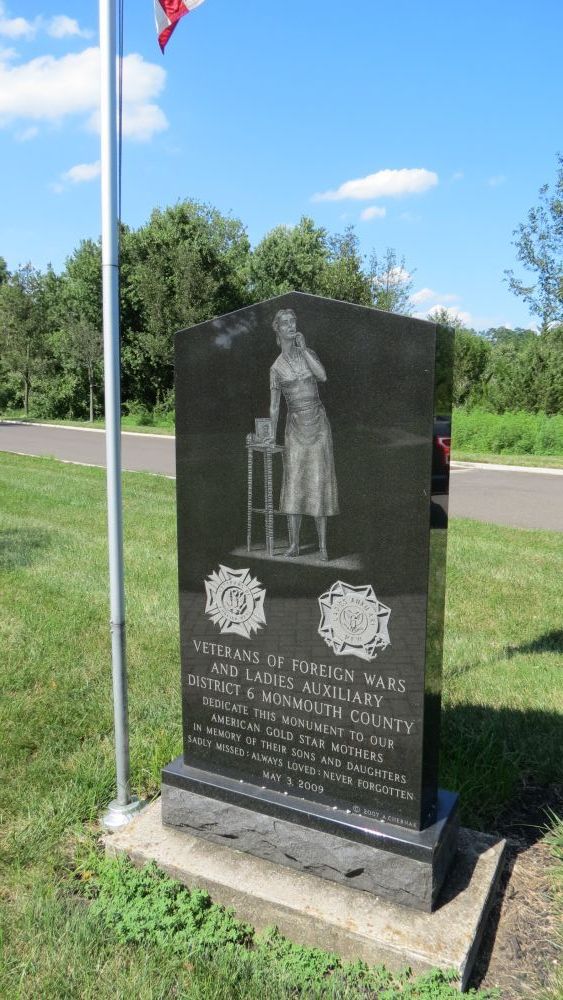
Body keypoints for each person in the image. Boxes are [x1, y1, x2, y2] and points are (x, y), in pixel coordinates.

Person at [267, 308, 339, 560]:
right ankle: (294, 544)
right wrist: (270, 435)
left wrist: (305, 349)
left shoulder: (308, 354)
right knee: (294, 483)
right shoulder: (275, 368)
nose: (290, 325)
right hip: (295, 426)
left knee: (320, 481)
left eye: (293, 321)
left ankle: (322, 547)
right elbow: (275, 406)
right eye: (284, 323)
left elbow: (322, 376)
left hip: (318, 423)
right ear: (277, 329)